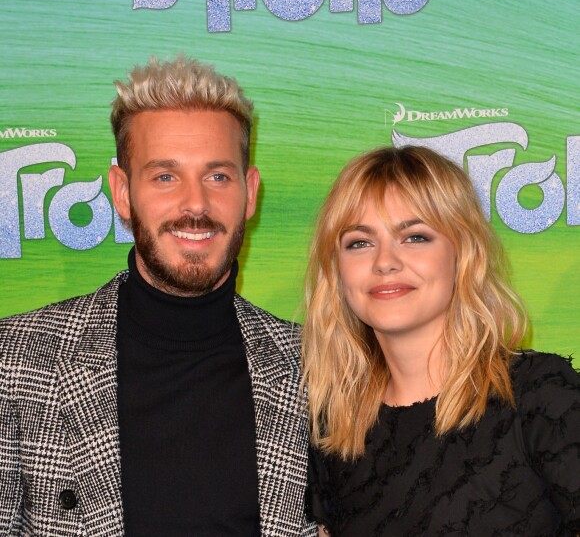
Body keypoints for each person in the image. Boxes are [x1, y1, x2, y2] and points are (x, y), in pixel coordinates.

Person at [0, 55, 316, 536]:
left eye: (218, 176)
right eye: (165, 176)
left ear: (250, 192)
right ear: (122, 193)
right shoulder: (18, 360)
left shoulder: (314, 368)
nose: (195, 204)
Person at [302, 145, 580, 536]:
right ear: (337, 271)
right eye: (359, 242)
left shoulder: (540, 396)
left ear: (463, 253)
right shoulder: (334, 431)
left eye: (414, 237)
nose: (385, 262)